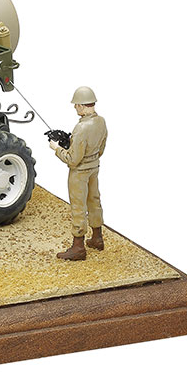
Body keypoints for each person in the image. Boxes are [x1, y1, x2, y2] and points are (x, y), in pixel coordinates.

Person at [50, 86, 108, 261]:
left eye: (76, 105)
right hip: (94, 168)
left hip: (79, 173)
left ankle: (78, 247)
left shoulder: (81, 128)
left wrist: (57, 148)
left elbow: (73, 160)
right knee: (94, 201)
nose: (75, 108)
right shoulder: (101, 122)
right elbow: (101, 148)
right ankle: (97, 237)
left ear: (82, 105)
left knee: (78, 207)